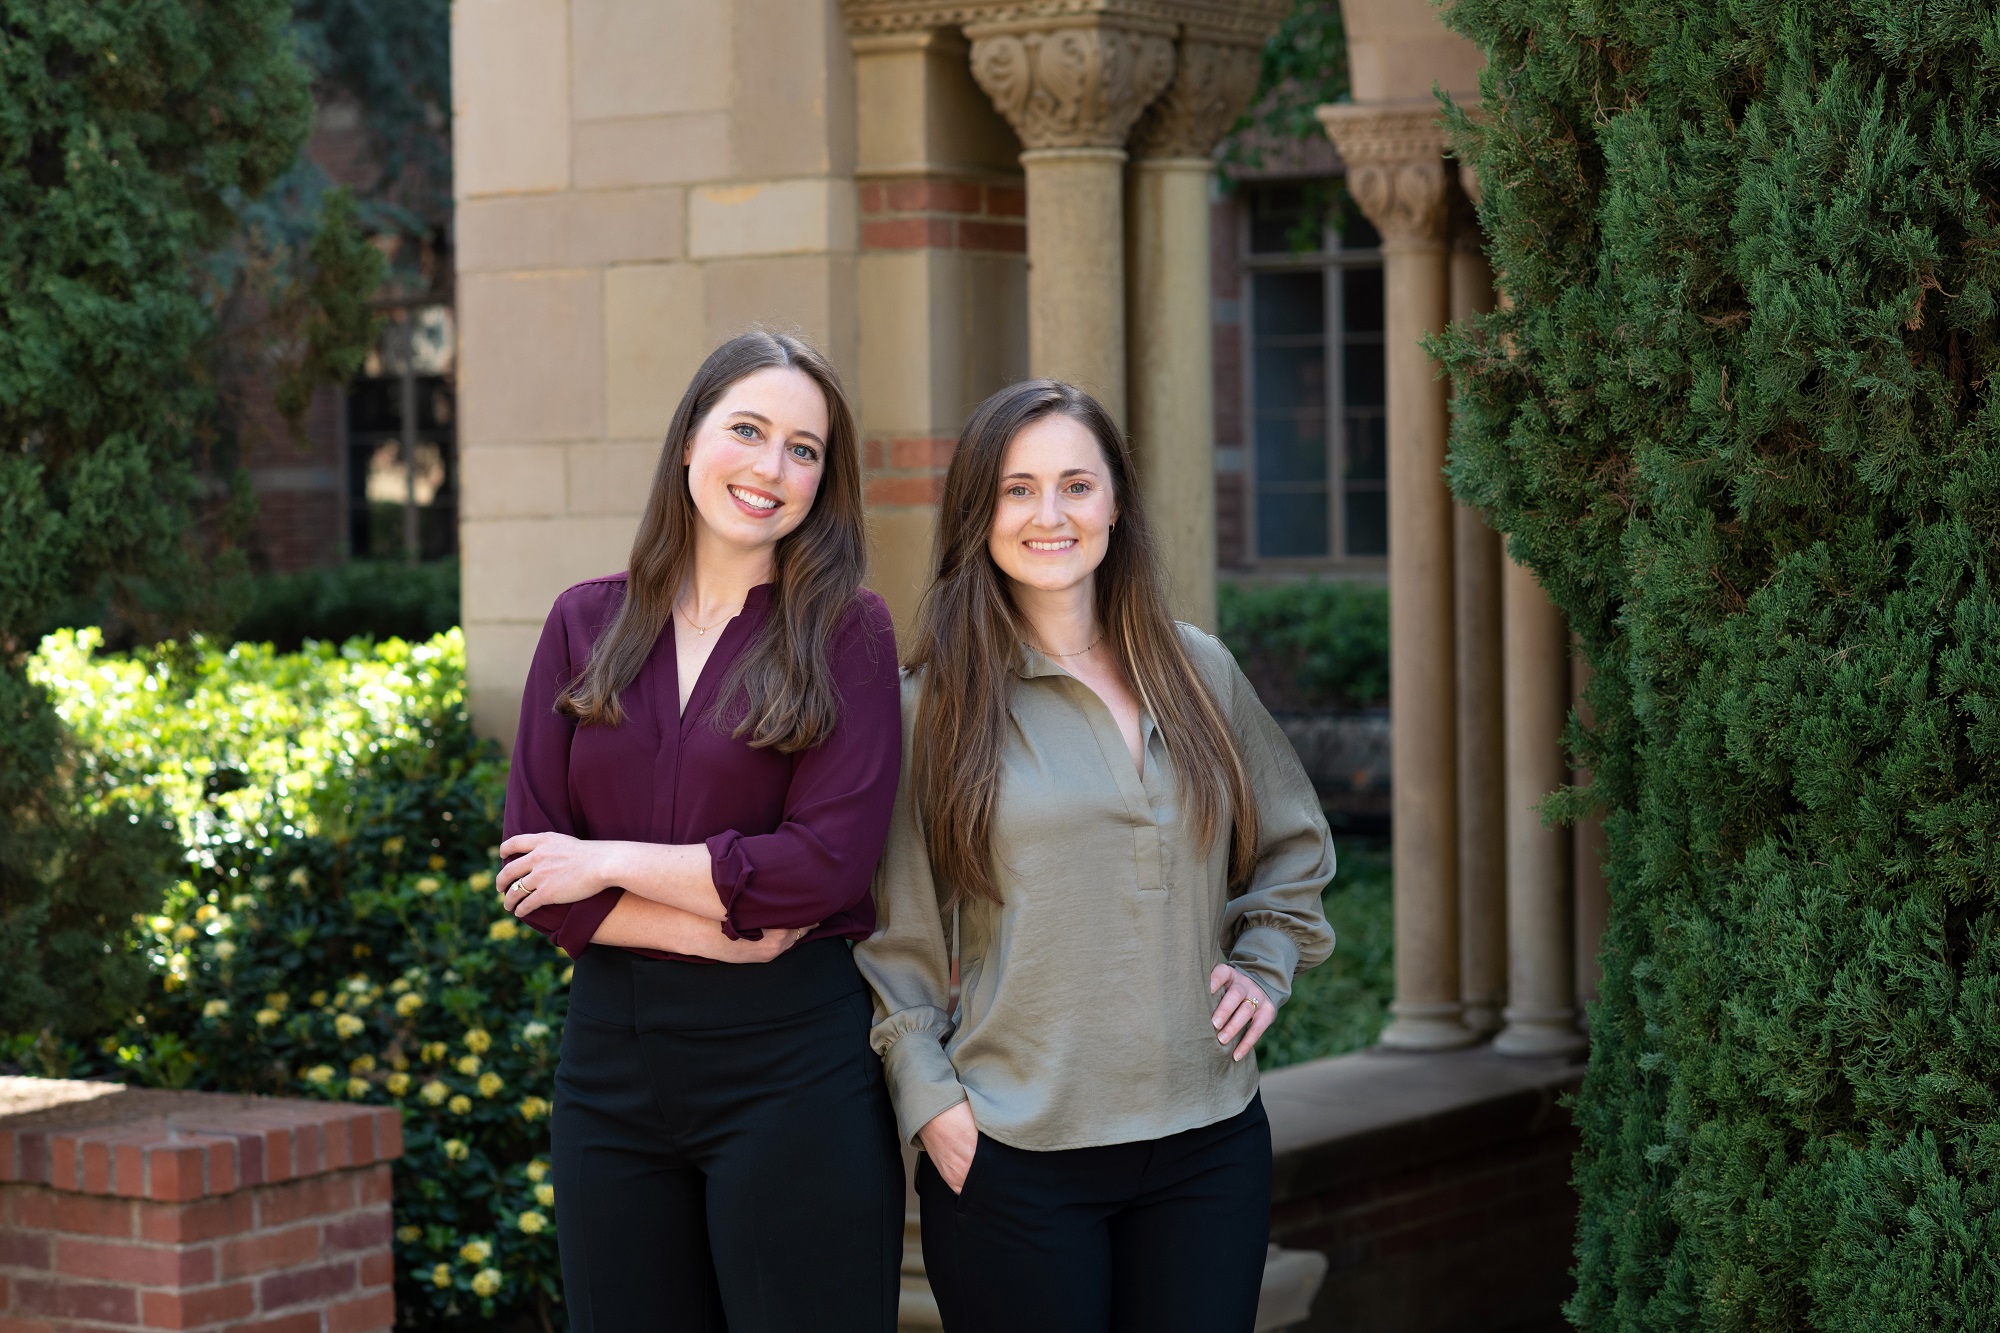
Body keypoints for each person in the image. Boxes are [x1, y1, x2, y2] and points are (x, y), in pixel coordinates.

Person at [854, 379, 1337, 1333]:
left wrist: (1266, 963)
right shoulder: (931, 705)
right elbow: (892, 933)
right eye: (1017, 488)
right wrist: (929, 1099)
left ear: (1116, 500)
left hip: (1208, 1142)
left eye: (1077, 484)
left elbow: (1293, 845)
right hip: (1014, 1151)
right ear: (978, 514)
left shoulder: (1198, 670)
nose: (1050, 515)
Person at [496, 331, 904, 1333]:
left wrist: (610, 862)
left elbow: (823, 867)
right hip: (610, 1071)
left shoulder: (848, 634)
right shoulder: (581, 624)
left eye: (803, 449)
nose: (770, 468)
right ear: (689, 442)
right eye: (749, 431)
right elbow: (528, 873)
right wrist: (733, 919)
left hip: (792, 1074)